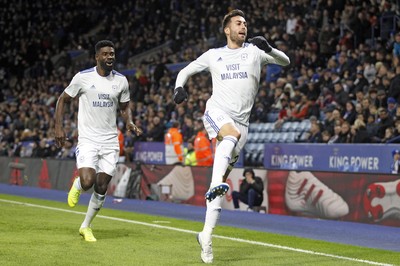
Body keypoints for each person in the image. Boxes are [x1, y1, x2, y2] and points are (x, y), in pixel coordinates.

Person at [173, 9, 290, 264]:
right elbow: (187, 70)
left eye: (245, 23)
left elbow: (285, 62)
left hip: (242, 126)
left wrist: (269, 48)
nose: (243, 26)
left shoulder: (255, 52)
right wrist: (178, 88)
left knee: (218, 189)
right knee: (230, 138)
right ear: (227, 30)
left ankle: (206, 236)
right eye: (238, 23)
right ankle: (215, 182)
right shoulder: (214, 55)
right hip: (217, 112)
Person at [54, 40, 142, 242]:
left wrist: (128, 122)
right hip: (88, 139)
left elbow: (125, 106)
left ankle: (86, 226)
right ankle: (78, 185)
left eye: (112, 53)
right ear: (97, 57)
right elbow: (63, 99)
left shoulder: (121, 81)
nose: (110, 56)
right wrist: (58, 127)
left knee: (101, 186)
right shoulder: (83, 78)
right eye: (105, 54)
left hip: (110, 141)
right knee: (88, 181)